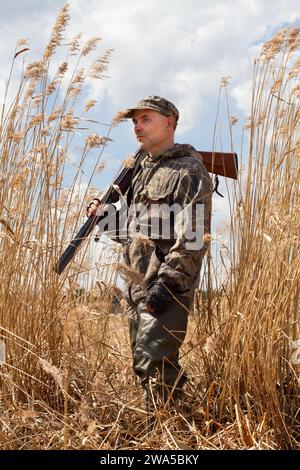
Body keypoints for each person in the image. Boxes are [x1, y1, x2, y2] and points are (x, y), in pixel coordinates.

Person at [88, 96, 212, 425]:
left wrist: (168, 283)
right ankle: (162, 431)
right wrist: (103, 220)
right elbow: (133, 232)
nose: (138, 126)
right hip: (136, 287)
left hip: (166, 286)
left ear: (169, 121)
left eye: (146, 119)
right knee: (144, 365)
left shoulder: (188, 169)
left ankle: (174, 437)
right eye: (134, 121)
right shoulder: (140, 172)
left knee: (156, 364)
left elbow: (193, 235)